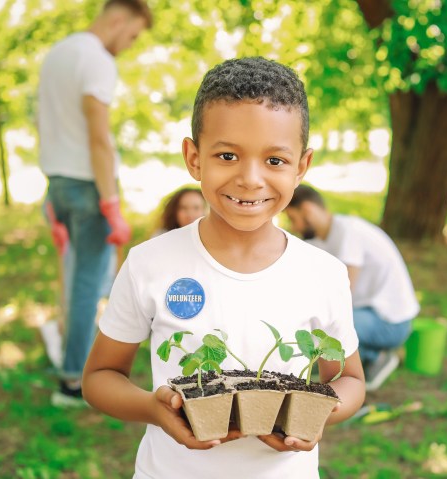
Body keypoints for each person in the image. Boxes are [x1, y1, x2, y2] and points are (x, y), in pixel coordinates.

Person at [82, 57, 365, 478]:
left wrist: (316, 416)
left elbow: (351, 381)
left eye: (275, 161)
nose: (250, 179)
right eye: (228, 155)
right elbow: (100, 377)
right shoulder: (150, 263)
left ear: (301, 167)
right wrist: (154, 409)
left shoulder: (323, 272)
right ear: (194, 158)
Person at [37, 0, 152, 406]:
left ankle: (73, 358)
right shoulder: (97, 59)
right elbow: (98, 136)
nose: (131, 44)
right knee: (88, 284)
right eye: (134, 34)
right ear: (118, 18)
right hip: (88, 187)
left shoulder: (57, 54)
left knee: (76, 276)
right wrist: (112, 203)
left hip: (58, 183)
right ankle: (73, 381)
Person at [285, 184, 420, 391]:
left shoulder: (349, 232)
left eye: (293, 219)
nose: (294, 227)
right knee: (316, 326)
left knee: (324, 327)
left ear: (308, 210)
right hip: (365, 314)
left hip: (390, 322)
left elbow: (344, 294)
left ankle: (376, 356)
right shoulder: (320, 241)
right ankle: (359, 357)